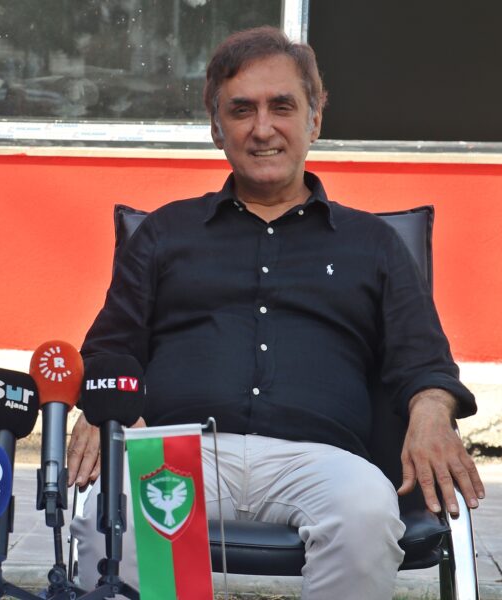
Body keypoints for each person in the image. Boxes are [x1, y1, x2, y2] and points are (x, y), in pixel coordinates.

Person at [67, 27, 484, 598]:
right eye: (241, 110)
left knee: (366, 513)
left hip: (325, 462)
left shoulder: (374, 245)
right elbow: (111, 346)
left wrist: (432, 412)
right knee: (115, 509)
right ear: (217, 128)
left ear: (314, 121)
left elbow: (424, 361)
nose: (262, 129)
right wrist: (105, 407)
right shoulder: (166, 233)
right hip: (179, 453)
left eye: (281, 107)